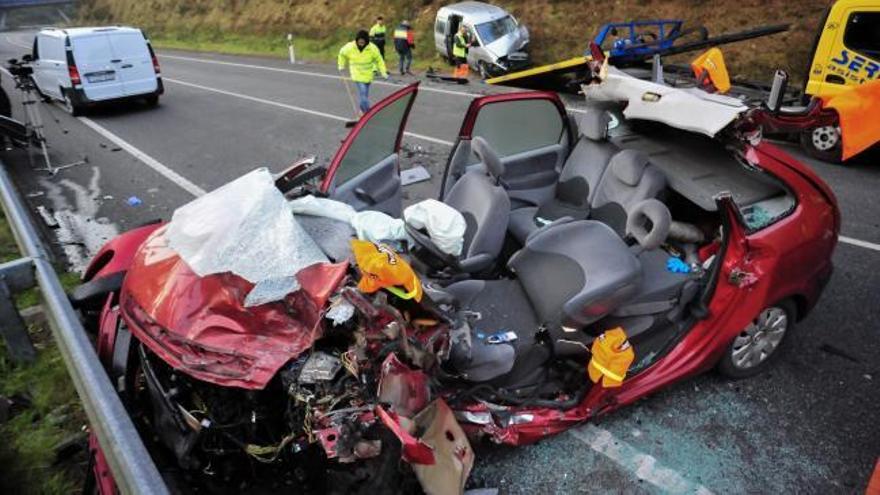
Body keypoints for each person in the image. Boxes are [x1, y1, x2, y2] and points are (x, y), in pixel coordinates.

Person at [338, 30, 388, 115]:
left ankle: (361, 111)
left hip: (368, 75)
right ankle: (368, 113)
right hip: (357, 74)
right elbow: (341, 54)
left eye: (363, 41)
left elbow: (379, 60)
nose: (361, 42)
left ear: (366, 41)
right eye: (359, 41)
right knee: (363, 93)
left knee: (364, 95)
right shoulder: (350, 47)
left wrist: (383, 72)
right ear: (357, 40)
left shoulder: (372, 48)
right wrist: (341, 65)